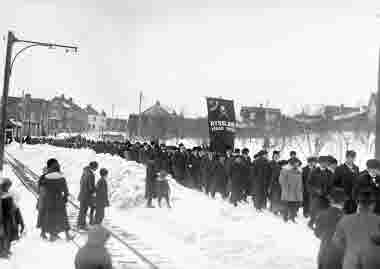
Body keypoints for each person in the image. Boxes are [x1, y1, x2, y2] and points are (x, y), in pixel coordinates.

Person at [333, 187, 380, 269]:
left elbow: (336, 241)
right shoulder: (378, 220)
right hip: (373, 264)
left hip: (350, 263)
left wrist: (349, 249)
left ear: (357, 203)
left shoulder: (345, 220)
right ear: (373, 204)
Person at [38, 159, 73, 241]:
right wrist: (65, 199)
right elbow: (66, 191)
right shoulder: (61, 178)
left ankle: (49, 234)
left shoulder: (44, 178)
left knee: (48, 217)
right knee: (63, 217)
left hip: (48, 201)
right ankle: (67, 235)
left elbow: (40, 190)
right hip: (59, 200)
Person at [314, 188, 345, 269]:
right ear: (343, 202)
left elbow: (317, 233)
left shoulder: (322, 214)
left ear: (331, 200)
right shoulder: (346, 218)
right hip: (340, 256)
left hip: (324, 252)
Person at [0, 178, 24, 258]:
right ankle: (3, 252)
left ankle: (6, 250)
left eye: (9, 186)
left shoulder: (9, 194)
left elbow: (14, 206)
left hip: (9, 218)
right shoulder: (3, 195)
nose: (8, 187)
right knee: (4, 235)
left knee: (8, 235)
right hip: (3, 218)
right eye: (7, 185)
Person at [333, 150, 359, 215]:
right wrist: (340, 194)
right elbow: (335, 183)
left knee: (353, 215)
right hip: (344, 197)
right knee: (344, 216)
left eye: (353, 157)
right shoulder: (339, 168)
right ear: (346, 157)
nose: (352, 159)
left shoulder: (356, 168)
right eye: (350, 157)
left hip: (354, 198)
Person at [279, 157, 303, 222]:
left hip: (296, 191)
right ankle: (285, 218)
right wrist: (286, 188)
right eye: (296, 163)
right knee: (286, 205)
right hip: (288, 191)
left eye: (298, 163)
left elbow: (300, 182)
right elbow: (281, 180)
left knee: (294, 206)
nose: (297, 164)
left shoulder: (299, 171)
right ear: (292, 163)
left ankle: (292, 218)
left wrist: (299, 190)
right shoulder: (285, 170)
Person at [77, 161, 98, 230]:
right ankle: (82, 225)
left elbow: (81, 182)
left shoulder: (84, 172)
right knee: (85, 210)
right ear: (94, 167)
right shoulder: (91, 175)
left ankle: (80, 224)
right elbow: (91, 187)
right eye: (96, 167)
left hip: (82, 193)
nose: (97, 168)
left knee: (82, 210)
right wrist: (96, 189)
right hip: (87, 195)